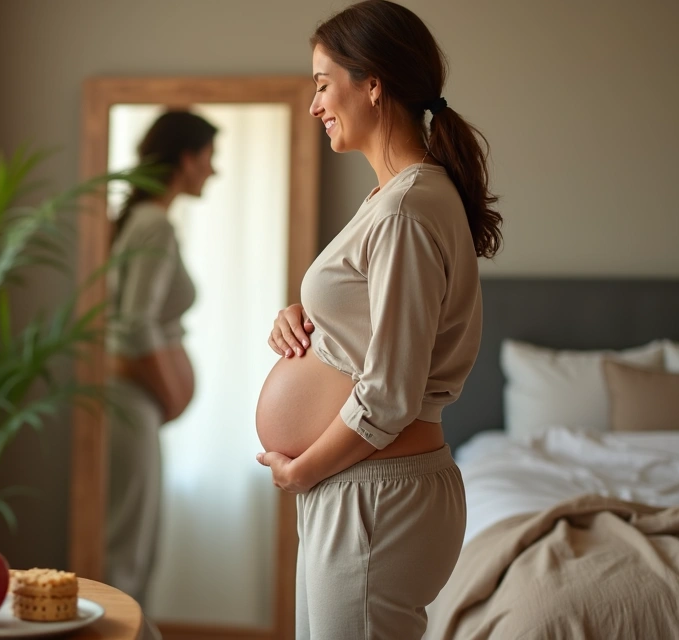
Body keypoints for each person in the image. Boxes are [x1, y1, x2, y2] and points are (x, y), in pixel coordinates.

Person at [253, 1, 503, 638]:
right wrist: (302, 318)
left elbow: (389, 392)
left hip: (375, 493)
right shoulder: (393, 200)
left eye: (321, 84)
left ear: (372, 84)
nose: (314, 105)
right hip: (364, 489)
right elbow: (374, 324)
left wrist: (301, 470)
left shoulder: (406, 209)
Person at [104, 110, 217, 604]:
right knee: (128, 550)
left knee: (131, 544)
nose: (214, 171)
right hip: (131, 403)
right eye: (211, 158)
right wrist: (172, 394)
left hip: (132, 403)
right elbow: (133, 324)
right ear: (187, 159)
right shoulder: (155, 226)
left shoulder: (144, 220)